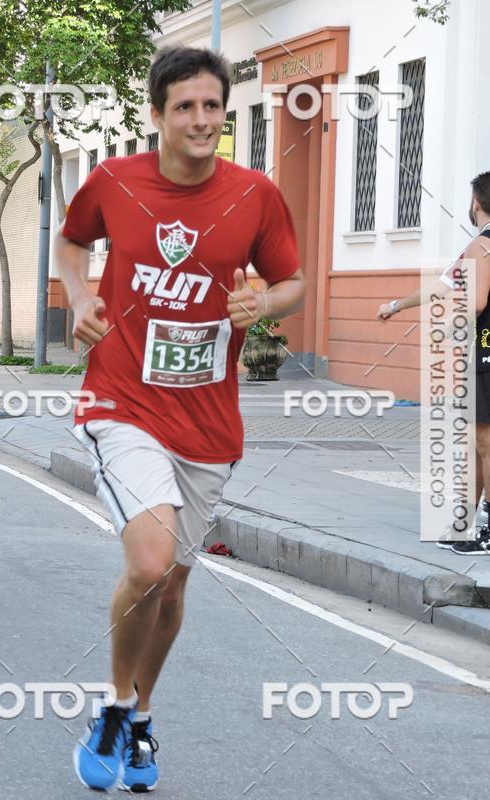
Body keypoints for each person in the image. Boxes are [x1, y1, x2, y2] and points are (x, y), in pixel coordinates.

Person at [55, 46, 306, 792]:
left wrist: (264, 302)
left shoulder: (255, 194)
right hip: (121, 403)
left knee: (171, 588)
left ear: (225, 112)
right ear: (157, 115)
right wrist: (80, 296)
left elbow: (292, 280)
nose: (201, 120)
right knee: (149, 563)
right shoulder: (115, 181)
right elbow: (71, 240)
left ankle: (140, 716)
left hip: (208, 423)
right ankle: (111, 707)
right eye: (185, 106)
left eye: (212, 106)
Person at [377, 171, 490, 553]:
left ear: (476, 202)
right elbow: (444, 283)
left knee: (484, 441)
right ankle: (464, 524)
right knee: (477, 442)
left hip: (485, 351)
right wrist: (397, 305)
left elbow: (473, 300)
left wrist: (445, 327)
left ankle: (484, 529)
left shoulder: (481, 244)